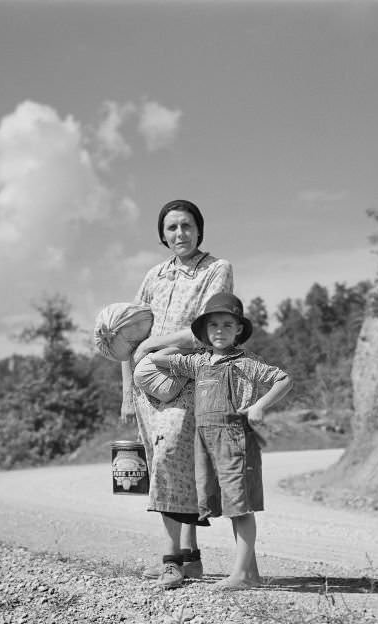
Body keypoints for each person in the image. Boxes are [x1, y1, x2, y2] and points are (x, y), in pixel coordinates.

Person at [123, 199, 234, 589]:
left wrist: (156, 346)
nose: (179, 234)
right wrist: (126, 390)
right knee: (165, 467)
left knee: (172, 455)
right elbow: (130, 334)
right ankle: (189, 557)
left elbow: (207, 328)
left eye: (186, 226)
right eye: (171, 228)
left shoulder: (216, 269)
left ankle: (171, 559)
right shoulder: (153, 276)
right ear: (162, 235)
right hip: (146, 385)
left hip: (189, 378)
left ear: (199, 229)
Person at [151, 292, 293, 590]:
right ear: (204, 330)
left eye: (227, 325)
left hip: (234, 438)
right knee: (230, 505)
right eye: (212, 325)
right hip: (206, 442)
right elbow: (158, 359)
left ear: (239, 329)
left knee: (240, 506)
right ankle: (249, 573)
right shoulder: (199, 362)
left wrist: (259, 406)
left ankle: (242, 575)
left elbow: (283, 379)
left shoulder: (246, 362)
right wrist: (189, 342)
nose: (219, 330)